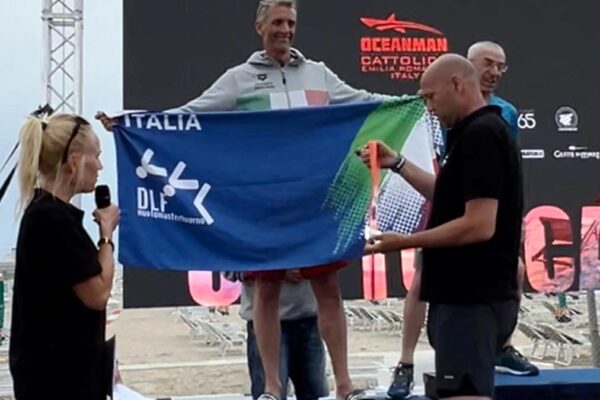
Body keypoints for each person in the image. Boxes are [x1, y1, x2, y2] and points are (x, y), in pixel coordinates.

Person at [96, 2, 399, 399]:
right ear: (260, 27)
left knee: (328, 286)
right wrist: (132, 120)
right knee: (266, 290)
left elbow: (364, 103)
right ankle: (271, 387)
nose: (285, 29)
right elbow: (190, 115)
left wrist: (409, 103)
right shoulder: (239, 79)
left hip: (315, 202)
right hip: (266, 203)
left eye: (291, 22)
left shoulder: (319, 74)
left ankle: (344, 385)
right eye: (277, 22)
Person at [360, 53, 523, 400]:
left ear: (457, 85)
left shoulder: (482, 134)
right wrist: (397, 163)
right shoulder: (471, 133)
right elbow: (451, 197)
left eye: (431, 97)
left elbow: (479, 225)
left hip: (472, 301)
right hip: (464, 300)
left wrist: (404, 241)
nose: (429, 108)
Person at [9, 112, 120, 399]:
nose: (100, 166)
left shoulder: (50, 215)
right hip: (56, 381)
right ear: (74, 162)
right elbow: (97, 294)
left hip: (62, 374)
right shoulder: (50, 219)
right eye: (96, 156)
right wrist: (106, 235)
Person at [224, 270, 328, 400]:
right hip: (264, 326)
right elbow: (229, 268)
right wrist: (276, 272)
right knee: (270, 393)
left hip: (309, 318)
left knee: (314, 393)